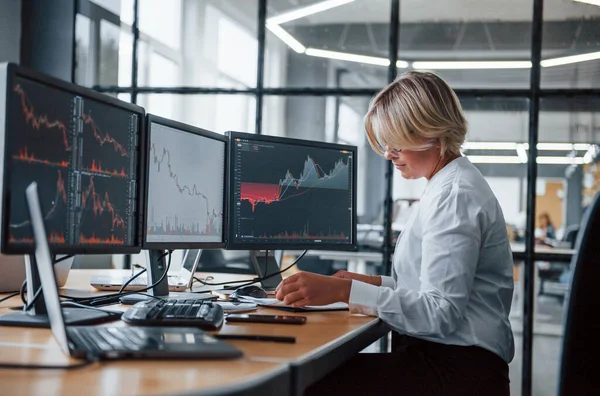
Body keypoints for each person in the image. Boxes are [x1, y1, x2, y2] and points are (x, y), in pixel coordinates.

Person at [275, 71, 514, 395]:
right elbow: (430, 288)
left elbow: (440, 313)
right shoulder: (446, 184)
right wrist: (365, 284)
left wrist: (343, 293)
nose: (388, 154)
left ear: (430, 130)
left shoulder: (454, 195)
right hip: (451, 359)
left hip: (456, 371)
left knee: (308, 382)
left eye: (395, 141)